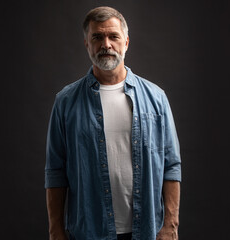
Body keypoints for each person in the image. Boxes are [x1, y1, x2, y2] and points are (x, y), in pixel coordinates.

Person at [45, 6, 181, 240]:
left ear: (126, 42)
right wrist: (55, 230)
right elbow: (56, 171)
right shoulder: (66, 102)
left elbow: (171, 165)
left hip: (146, 230)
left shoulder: (156, 98)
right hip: (89, 231)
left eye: (113, 36)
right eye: (97, 37)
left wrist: (171, 224)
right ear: (87, 44)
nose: (106, 44)